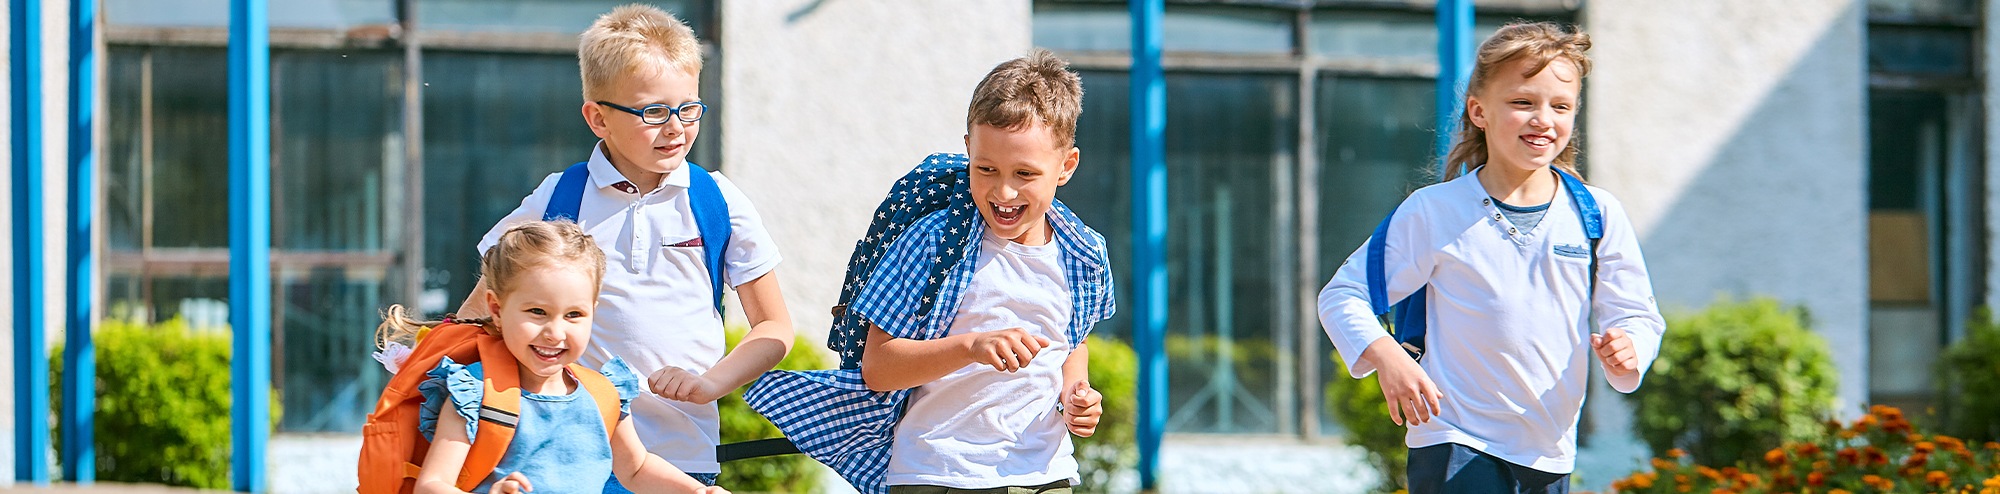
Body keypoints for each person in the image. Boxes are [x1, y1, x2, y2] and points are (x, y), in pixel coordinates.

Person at [453, 5, 795, 489]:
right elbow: (481, 317)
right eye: (653, 111)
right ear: (597, 118)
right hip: (565, 458)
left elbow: (774, 325)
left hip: (682, 455)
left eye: (689, 108)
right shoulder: (559, 198)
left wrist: (711, 383)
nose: (676, 127)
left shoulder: (717, 200)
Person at [1316, 22, 1666, 493]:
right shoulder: (1433, 211)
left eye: (1560, 106)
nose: (1543, 118)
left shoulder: (1598, 214)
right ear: (1479, 111)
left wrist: (1631, 352)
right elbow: (1344, 295)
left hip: (1549, 449)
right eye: (1523, 102)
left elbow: (1637, 314)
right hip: (1454, 438)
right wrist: (1386, 356)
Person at [384, 221, 726, 494]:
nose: (555, 332)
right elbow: (432, 485)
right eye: (537, 311)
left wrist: (695, 490)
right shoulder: (474, 392)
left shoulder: (604, 394)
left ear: (593, 311)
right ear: (496, 309)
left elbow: (636, 469)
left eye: (574, 315)